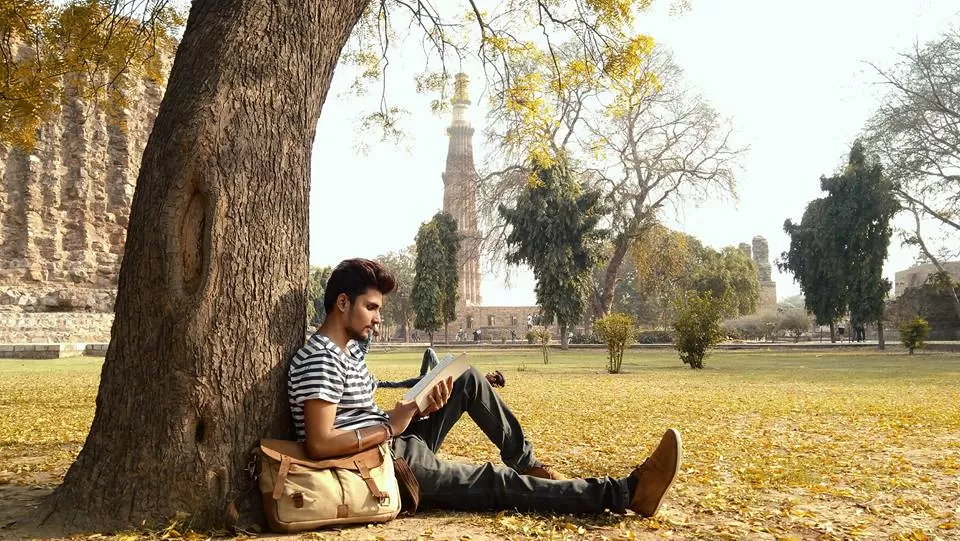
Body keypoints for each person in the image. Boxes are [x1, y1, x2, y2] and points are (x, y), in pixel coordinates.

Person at [288, 258, 682, 516]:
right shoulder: (321, 357)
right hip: (384, 462)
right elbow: (319, 443)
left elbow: (354, 417)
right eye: (371, 308)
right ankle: (626, 492)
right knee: (493, 482)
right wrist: (392, 425)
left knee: (466, 378)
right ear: (343, 303)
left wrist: (416, 410)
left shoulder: (345, 352)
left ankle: (527, 462)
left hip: (393, 441)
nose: (377, 319)